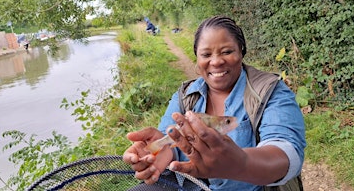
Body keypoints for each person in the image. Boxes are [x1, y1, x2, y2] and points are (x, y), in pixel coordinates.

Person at [123, 15, 306, 190]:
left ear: (241, 51)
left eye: (227, 51)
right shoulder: (185, 94)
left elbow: (286, 151)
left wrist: (241, 163)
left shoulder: (270, 91)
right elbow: (168, 134)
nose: (216, 61)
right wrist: (161, 151)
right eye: (206, 54)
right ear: (197, 58)